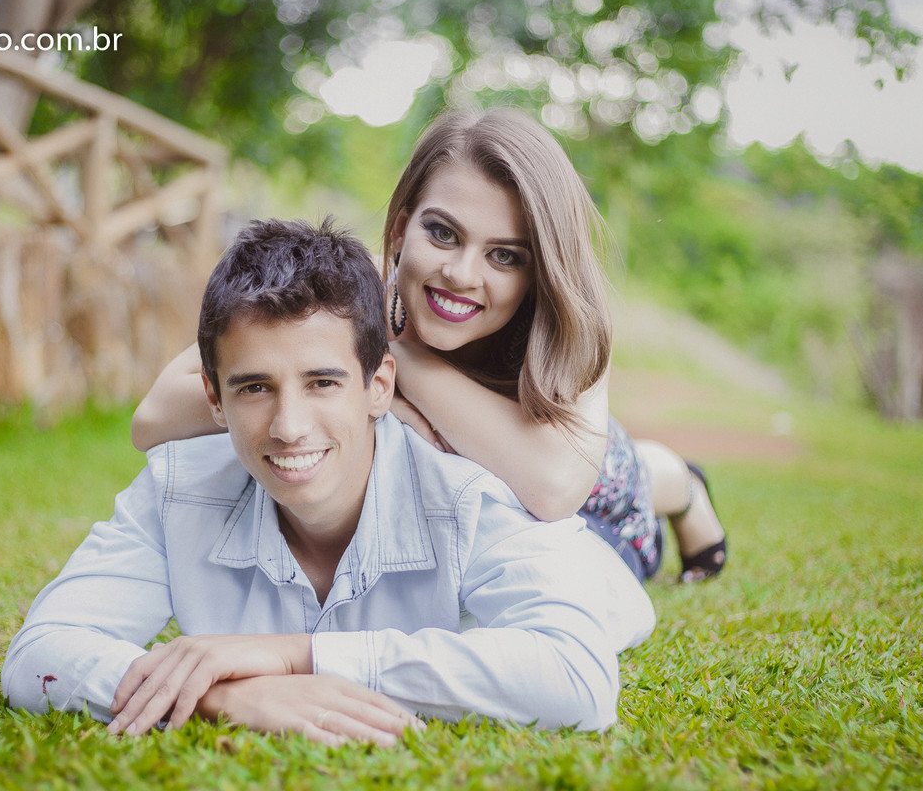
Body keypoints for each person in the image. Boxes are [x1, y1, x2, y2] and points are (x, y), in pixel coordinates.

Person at [3, 218, 655, 744]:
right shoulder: (177, 487)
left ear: (379, 387)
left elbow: (578, 680)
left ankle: (674, 483)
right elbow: (39, 653)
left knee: (631, 503)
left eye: (322, 383)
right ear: (212, 398)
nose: (288, 426)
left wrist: (299, 656)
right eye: (254, 387)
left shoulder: (472, 495)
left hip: (601, 547)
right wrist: (223, 694)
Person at [132, 108, 726, 584]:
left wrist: (395, 363)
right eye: (443, 233)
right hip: (483, 490)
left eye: (504, 255)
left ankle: (686, 487)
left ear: (538, 268)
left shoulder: (572, 324)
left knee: (644, 476)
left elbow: (552, 488)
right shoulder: (342, 297)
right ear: (401, 228)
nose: (463, 275)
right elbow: (153, 419)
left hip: (596, 501)